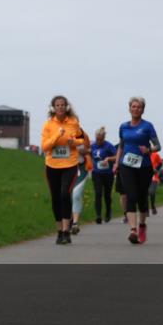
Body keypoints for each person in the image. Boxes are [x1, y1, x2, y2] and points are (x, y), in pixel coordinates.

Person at [113, 97, 160, 244]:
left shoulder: (148, 126)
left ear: (143, 109)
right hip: (126, 165)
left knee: (141, 197)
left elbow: (158, 146)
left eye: (139, 107)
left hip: (144, 167)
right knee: (130, 195)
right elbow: (121, 146)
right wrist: (116, 163)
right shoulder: (123, 126)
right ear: (129, 108)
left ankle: (142, 225)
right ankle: (133, 230)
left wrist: (149, 149)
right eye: (133, 107)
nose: (136, 109)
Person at [41, 96, 84, 245]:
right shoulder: (48, 125)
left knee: (65, 194)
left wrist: (74, 142)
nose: (60, 107)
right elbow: (45, 146)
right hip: (52, 165)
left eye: (62, 105)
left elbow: (81, 139)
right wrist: (57, 136)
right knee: (56, 198)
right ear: (53, 107)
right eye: (57, 105)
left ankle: (67, 231)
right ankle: (59, 231)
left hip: (70, 164)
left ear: (66, 107)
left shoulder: (73, 122)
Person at [89, 127, 117, 223]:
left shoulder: (109, 146)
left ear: (104, 138)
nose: (99, 141)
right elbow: (88, 154)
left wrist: (109, 159)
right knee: (98, 193)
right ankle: (98, 215)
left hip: (108, 174)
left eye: (100, 139)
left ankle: (108, 212)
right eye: (97, 139)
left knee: (107, 195)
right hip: (97, 173)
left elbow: (117, 156)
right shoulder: (93, 146)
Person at [70, 127, 93, 235]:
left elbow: (89, 150)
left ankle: (75, 222)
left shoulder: (84, 135)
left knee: (76, 195)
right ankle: (68, 220)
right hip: (66, 168)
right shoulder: (61, 133)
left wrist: (80, 150)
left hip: (81, 168)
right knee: (66, 195)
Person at [148, 150, 163, 214]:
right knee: (144, 193)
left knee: (152, 192)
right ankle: (146, 210)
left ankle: (153, 206)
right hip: (143, 176)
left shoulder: (155, 154)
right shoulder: (141, 154)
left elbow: (160, 163)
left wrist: (156, 169)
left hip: (154, 177)